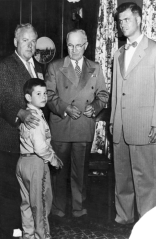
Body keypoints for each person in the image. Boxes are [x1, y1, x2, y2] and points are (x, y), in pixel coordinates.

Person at [110, 2, 156, 225]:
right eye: (120, 21)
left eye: (126, 19)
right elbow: (116, 93)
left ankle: (147, 223)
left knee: (145, 179)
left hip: (145, 126)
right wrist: (112, 121)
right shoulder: (118, 53)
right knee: (122, 178)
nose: (122, 24)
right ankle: (124, 217)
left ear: (138, 19)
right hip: (120, 127)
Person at [45, 29, 109, 221]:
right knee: (58, 171)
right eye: (70, 45)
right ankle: (58, 208)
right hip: (62, 125)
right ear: (66, 45)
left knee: (80, 171)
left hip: (83, 125)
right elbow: (48, 95)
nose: (74, 50)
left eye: (78, 45)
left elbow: (103, 94)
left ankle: (79, 208)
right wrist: (65, 108)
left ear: (86, 45)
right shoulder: (55, 66)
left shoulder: (95, 68)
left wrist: (95, 107)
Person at [0, 23, 44, 237]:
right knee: (10, 194)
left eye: (33, 41)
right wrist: (20, 114)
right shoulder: (5, 66)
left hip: (33, 144)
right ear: (16, 42)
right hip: (9, 141)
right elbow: (2, 100)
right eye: (25, 40)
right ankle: (12, 232)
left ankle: (28, 230)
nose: (30, 45)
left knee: (30, 193)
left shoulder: (38, 67)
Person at [16, 78, 63, 239]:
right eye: (38, 94)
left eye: (45, 93)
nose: (44, 97)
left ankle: (28, 235)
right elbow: (40, 147)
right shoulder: (35, 118)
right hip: (36, 163)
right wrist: (53, 159)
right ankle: (43, 236)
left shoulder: (27, 115)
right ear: (28, 97)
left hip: (23, 161)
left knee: (27, 203)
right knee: (41, 205)